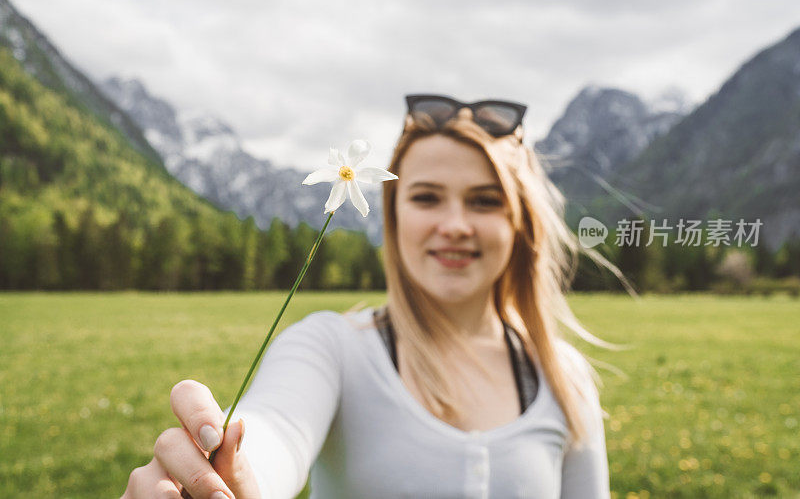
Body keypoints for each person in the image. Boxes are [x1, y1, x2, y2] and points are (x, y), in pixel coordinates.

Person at [122, 94, 612, 499]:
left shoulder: (562, 379)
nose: (456, 225)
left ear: (519, 223)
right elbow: (274, 430)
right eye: (426, 197)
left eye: (485, 200)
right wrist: (235, 474)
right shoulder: (331, 348)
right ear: (393, 215)